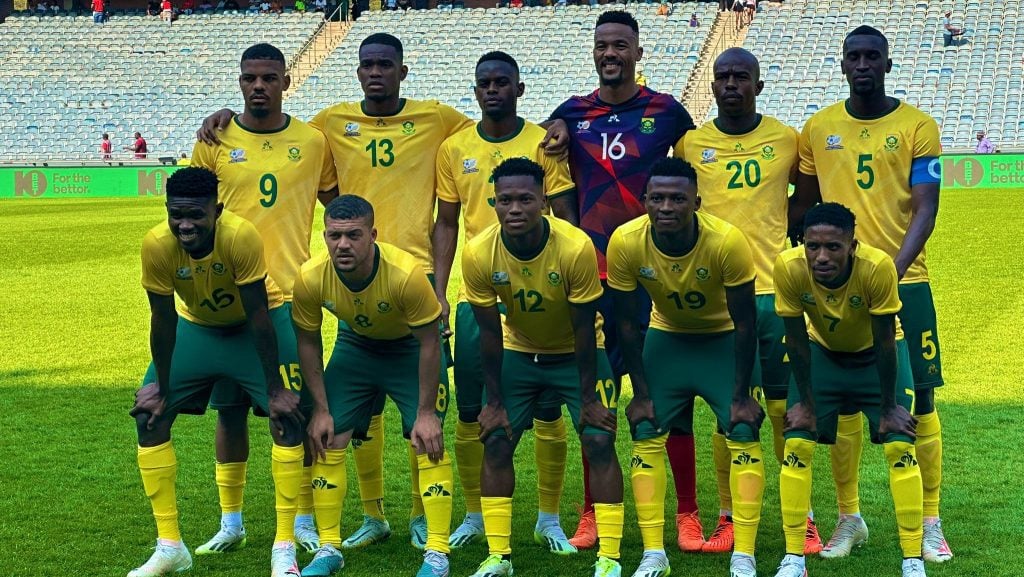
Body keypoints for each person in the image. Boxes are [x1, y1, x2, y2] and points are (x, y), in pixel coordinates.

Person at [197, 33, 568, 554]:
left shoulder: (439, 120)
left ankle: (423, 516)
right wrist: (223, 116)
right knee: (361, 409)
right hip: (353, 280)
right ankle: (373, 516)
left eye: (385, 66)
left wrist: (559, 124)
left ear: (402, 71)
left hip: (413, 282)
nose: (375, 73)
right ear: (357, 72)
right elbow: (284, 142)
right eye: (367, 65)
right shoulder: (327, 124)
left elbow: (496, 126)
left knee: (427, 411)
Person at [790, 25, 949, 564]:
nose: (862, 65)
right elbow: (803, 208)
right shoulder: (818, 128)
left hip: (907, 280)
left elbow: (925, 207)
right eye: (853, 57)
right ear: (842, 65)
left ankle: (930, 521)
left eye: (872, 57)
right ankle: (849, 518)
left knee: (920, 396)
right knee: (843, 404)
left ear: (887, 64)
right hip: (831, 286)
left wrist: (888, 273)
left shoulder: (918, 126)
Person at [547, 10, 697, 552]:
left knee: (669, 397)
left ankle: (686, 512)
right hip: (598, 281)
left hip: (657, 278)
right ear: (594, 52)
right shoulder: (571, 113)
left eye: (620, 46)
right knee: (598, 397)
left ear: (638, 52)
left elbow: (690, 177)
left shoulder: (668, 112)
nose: (610, 53)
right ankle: (592, 510)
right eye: (602, 46)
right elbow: (553, 174)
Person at [188, 43, 338, 575]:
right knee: (228, 411)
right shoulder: (215, 138)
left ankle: (297, 518)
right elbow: (192, 213)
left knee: (294, 410)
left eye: (269, 77)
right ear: (239, 80)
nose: (259, 86)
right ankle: (231, 522)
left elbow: (335, 203)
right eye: (249, 77)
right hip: (227, 300)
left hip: (291, 296)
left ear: (286, 81)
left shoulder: (313, 141)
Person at [676, 47, 823, 555]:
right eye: (723, 77)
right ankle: (730, 517)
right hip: (716, 302)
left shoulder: (786, 139)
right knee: (727, 412)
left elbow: (804, 202)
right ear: (712, 86)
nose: (731, 84)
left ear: (759, 84)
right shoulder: (692, 144)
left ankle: (800, 519)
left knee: (786, 409)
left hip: (773, 296)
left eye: (742, 76)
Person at [126, 167, 306, 577]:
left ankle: (284, 546)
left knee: (288, 418)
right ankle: (170, 546)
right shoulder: (156, 244)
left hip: (255, 326)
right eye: (176, 214)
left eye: (195, 215)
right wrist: (164, 387)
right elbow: (162, 319)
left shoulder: (240, 236)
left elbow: (258, 314)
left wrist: (276, 389)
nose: (184, 225)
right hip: (198, 328)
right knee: (149, 416)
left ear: (217, 210)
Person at [433, 51, 577, 552]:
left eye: (501, 82)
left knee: (549, 409)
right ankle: (475, 515)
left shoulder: (543, 142)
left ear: (519, 88)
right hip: (483, 294)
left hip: (543, 294)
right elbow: (447, 222)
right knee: (474, 412)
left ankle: (549, 516)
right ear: (474, 91)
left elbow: (563, 215)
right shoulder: (454, 148)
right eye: (484, 83)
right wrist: (439, 291)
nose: (492, 89)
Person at [462, 158, 624, 577]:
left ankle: (610, 556)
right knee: (495, 438)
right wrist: (494, 401)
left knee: (599, 439)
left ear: (545, 202)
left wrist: (588, 398)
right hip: (519, 350)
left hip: (578, 353)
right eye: (505, 201)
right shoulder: (479, 252)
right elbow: (489, 334)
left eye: (525, 200)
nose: (514, 209)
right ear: (493, 203)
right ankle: (499, 555)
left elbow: (585, 327)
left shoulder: (573, 247)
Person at [608, 157, 763, 577]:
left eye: (678, 198)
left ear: (697, 200)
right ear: (643, 201)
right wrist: (640, 394)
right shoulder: (625, 241)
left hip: (723, 339)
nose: (667, 207)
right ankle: (653, 553)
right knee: (645, 429)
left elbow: (747, 322)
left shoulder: (727, 241)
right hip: (668, 338)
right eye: (657, 198)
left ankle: (744, 555)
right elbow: (625, 323)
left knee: (743, 429)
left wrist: (741, 395)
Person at [293, 195, 453, 577]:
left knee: (426, 438)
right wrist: (320, 409)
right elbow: (308, 341)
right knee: (326, 438)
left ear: (373, 235)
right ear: (325, 236)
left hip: (410, 349)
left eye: (353, 235)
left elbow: (431, 342)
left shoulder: (406, 273)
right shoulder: (311, 276)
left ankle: (438, 553)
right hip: (357, 347)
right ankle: (328, 548)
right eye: (334, 236)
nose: (342, 245)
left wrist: (427, 412)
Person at [771, 202, 925, 577]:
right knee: (797, 442)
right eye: (813, 246)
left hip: (877, 358)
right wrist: (806, 403)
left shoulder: (877, 268)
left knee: (900, 444)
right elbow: (795, 340)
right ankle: (794, 558)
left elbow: (886, 338)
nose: (821, 256)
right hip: (823, 355)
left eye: (833, 247)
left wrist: (888, 406)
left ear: (852, 245)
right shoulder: (789, 268)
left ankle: (912, 560)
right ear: (802, 243)